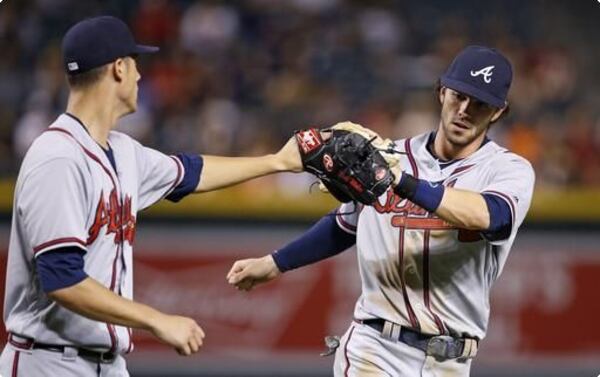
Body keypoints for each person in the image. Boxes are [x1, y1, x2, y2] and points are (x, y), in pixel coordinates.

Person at [0, 16, 302, 377]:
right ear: (118, 68)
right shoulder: (58, 157)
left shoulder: (124, 151)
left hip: (107, 364)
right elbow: (63, 280)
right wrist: (157, 320)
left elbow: (193, 173)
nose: (141, 76)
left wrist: (277, 162)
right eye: (136, 65)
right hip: (47, 361)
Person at [227, 45, 535, 377]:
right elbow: (345, 225)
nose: (464, 110)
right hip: (376, 348)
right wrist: (275, 263)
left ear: (499, 112)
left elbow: (493, 216)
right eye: (458, 96)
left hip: (452, 362)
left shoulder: (508, 170)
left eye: (480, 104)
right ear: (441, 92)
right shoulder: (391, 156)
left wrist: (401, 181)